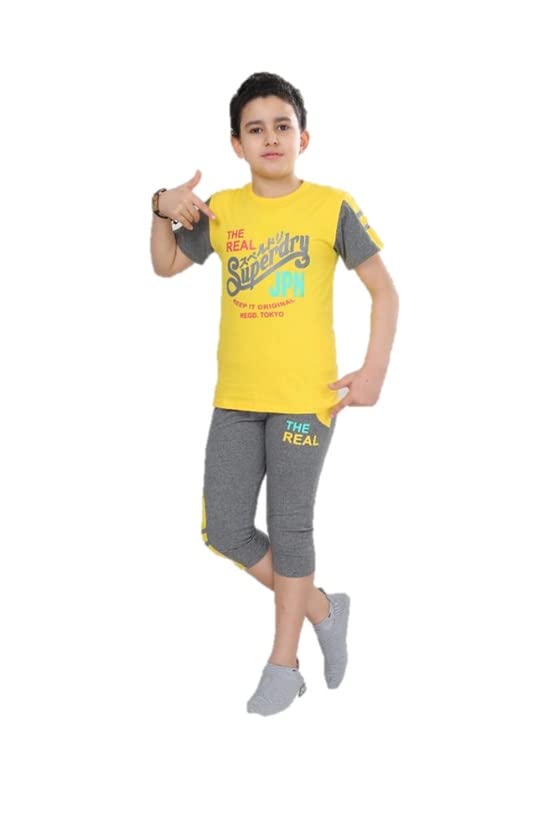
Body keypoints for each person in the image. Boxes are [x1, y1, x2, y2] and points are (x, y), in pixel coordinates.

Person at [150, 71, 399, 716]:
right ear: (236, 144)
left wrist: (372, 370)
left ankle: (283, 666)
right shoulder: (223, 210)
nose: (270, 138)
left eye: (282, 126)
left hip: (306, 402)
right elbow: (166, 263)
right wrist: (159, 206)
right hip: (235, 400)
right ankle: (322, 608)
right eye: (255, 129)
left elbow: (384, 290)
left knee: (291, 528)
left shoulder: (331, 206)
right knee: (225, 528)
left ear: (303, 137)